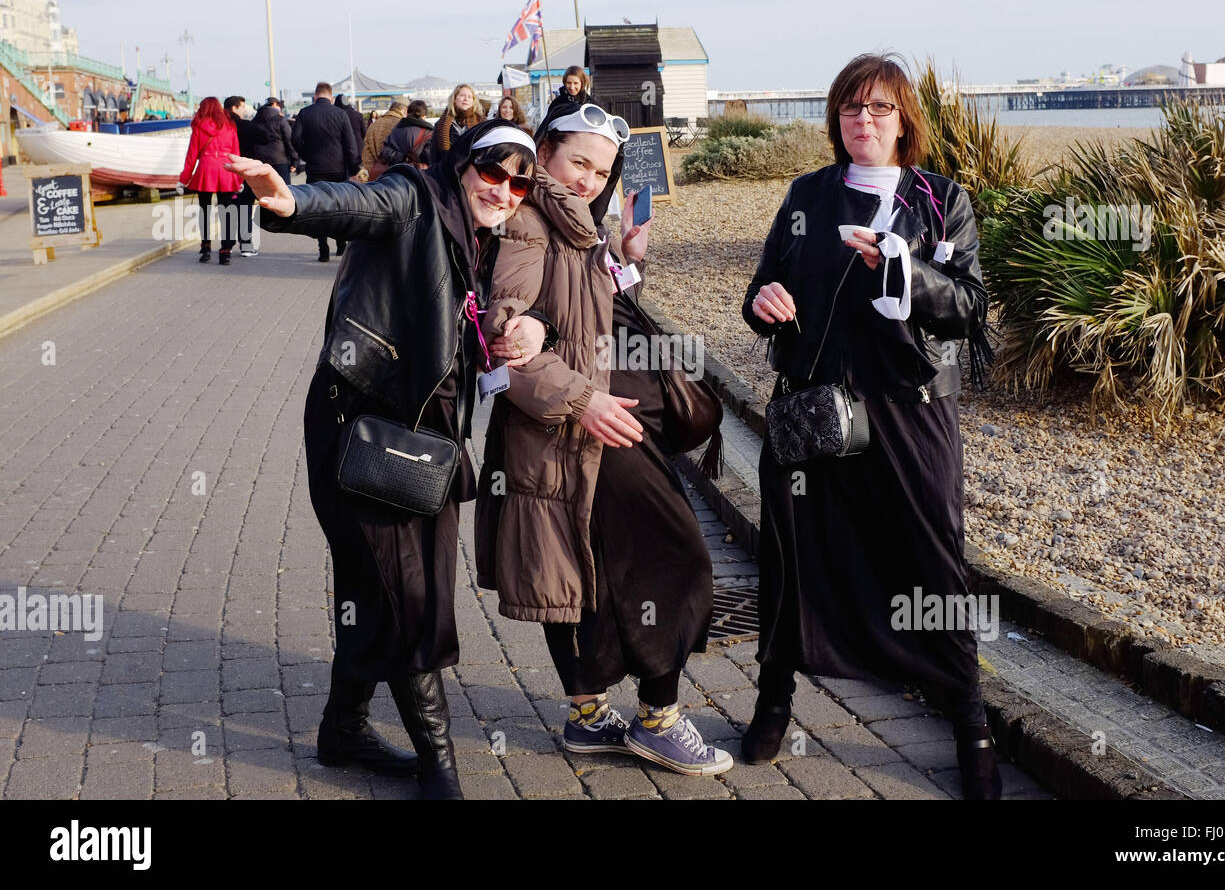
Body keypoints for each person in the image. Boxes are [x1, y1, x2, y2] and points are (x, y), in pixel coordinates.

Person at [227, 118, 547, 799]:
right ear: (464, 163)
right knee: (410, 593)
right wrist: (289, 203)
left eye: (521, 181)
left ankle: (342, 728)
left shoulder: (481, 233)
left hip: (426, 436)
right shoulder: (415, 195)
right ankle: (440, 765)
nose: (506, 189)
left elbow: (474, 310)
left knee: (373, 587)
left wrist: (515, 327)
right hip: (366, 424)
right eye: (494, 170)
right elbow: (358, 204)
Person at [740, 53, 1001, 798]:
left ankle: (972, 723)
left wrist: (905, 268)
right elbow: (764, 285)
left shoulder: (939, 199)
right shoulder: (807, 196)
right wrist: (762, 302)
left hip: (909, 410)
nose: (865, 120)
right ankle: (774, 700)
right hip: (818, 410)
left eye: (880, 108)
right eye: (852, 109)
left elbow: (972, 305)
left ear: (904, 121)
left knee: (935, 561)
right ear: (836, 121)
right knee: (794, 558)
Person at [475, 101, 730, 776]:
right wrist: (583, 401)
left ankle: (589, 717)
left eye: (602, 169)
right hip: (585, 434)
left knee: (585, 572)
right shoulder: (529, 224)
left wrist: (622, 259)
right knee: (673, 555)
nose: (590, 179)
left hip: (611, 428)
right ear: (545, 152)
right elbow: (505, 348)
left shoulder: (576, 222)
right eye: (578, 162)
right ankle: (659, 720)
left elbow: (581, 318)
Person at [292, 82, 361, 261]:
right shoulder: (340, 114)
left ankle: (323, 249)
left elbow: (295, 139)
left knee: (317, 207)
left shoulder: (305, 113)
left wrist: (306, 154)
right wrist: (354, 167)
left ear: (315, 97)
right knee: (338, 206)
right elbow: (350, 145)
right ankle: (340, 245)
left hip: (315, 168)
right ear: (331, 97)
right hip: (338, 169)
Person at [179, 96, 243, 265]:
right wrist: (239, 179)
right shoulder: (229, 127)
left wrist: (183, 179)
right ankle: (225, 250)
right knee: (226, 211)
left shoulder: (199, 127)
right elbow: (235, 155)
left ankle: (206, 247)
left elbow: (191, 156)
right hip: (226, 172)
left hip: (206, 170)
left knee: (204, 211)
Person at [244, 97, 300, 257]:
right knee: (285, 193)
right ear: (275, 107)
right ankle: (286, 221)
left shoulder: (254, 122)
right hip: (280, 160)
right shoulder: (279, 120)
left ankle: (256, 228)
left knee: (255, 196)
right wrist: (294, 160)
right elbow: (289, 141)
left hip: (259, 163)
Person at [224, 95, 258, 257]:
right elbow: (264, 138)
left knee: (228, 208)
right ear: (235, 108)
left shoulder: (220, 126)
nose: (245, 110)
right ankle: (245, 245)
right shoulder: (246, 126)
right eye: (243, 107)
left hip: (225, 173)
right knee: (245, 208)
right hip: (244, 172)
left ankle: (227, 245)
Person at [375, 99, 437, 174]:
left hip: (395, 175)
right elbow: (430, 159)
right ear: (423, 116)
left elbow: (385, 152)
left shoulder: (396, 129)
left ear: (407, 113)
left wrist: (403, 158)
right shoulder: (429, 133)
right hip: (418, 177)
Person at [432, 83, 483, 157]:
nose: (466, 99)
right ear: (454, 99)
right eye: (462, 96)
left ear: (473, 101)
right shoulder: (440, 125)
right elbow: (434, 155)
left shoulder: (481, 122)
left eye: (469, 97)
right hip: (448, 167)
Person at [361, 98, 407, 178]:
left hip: (376, 177)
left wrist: (372, 170)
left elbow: (365, 154)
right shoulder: (402, 125)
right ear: (404, 110)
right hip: (398, 176)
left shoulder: (374, 125)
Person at [335, 92, 366, 157]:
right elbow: (364, 133)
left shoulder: (337, 116)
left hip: (342, 150)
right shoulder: (358, 115)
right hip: (358, 148)